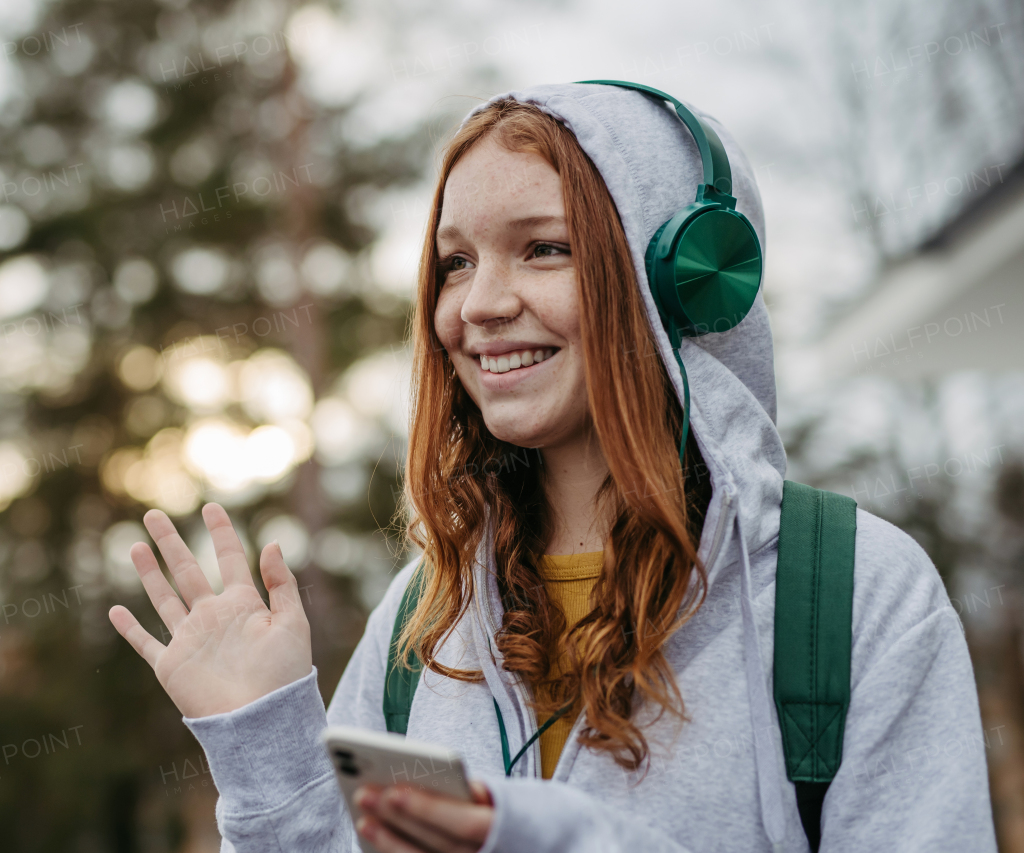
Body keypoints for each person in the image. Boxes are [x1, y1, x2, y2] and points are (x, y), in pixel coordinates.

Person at [107, 82, 995, 852]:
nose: (480, 306)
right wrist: (266, 748)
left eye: (544, 247)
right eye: (456, 262)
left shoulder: (851, 599)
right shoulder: (426, 619)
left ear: (685, 279)